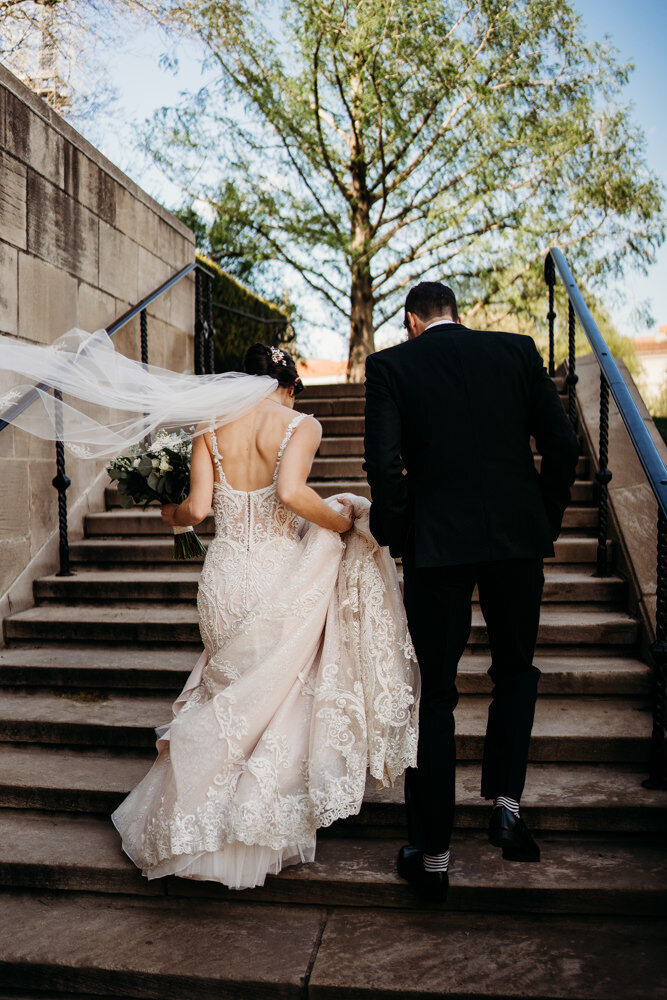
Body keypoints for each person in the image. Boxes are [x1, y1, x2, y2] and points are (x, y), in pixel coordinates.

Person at [111, 343, 419, 889]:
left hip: (224, 576)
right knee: (274, 698)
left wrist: (169, 515)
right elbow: (292, 493)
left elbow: (199, 511)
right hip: (278, 572)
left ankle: (194, 820)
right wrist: (345, 525)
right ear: (289, 385)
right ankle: (247, 820)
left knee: (227, 693)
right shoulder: (301, 424)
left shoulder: (212, 424)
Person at [363, 282, 580, 903]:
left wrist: (400, 534)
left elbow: (384, 466)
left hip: (438, 548)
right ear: (457, 313)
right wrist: (545, 517)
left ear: (411, 320)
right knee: (515, 670)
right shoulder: (516, 350)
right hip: (517, 539)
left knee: (436, 692)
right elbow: (562, 445)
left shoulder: (391, 365)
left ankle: (432, 856)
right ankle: (507, 807)